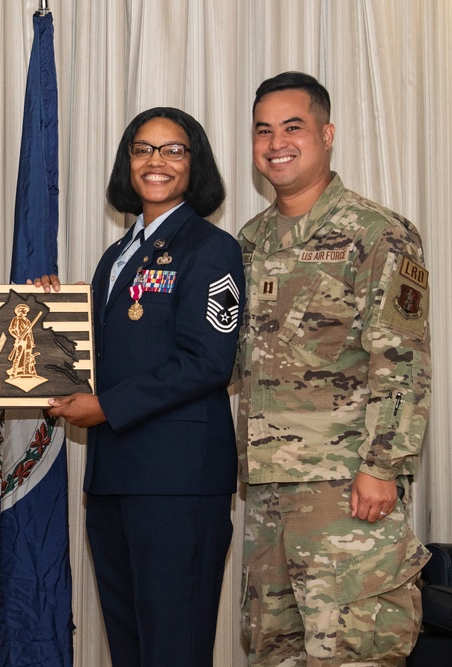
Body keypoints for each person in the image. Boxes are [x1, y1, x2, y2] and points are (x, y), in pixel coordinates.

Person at [237, 71, 432, 666]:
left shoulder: (379, 233)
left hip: (346, 490)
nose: (276, 143)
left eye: (292, 127)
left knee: (353, 652)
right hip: (267, 493)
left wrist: (383, 466)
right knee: (275, 652)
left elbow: (402, 358)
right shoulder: (249, 241)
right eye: (263, 131)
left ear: (326, 134)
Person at [38, 107, 244, 666]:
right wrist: (50, 308)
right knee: (129, 645)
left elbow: (207, 362)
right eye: (142, 149)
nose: (156, 161)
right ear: (127, 162)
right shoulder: (118, 255)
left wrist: (106, 406)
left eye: (173, 149)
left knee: (172, 647)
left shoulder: (211, 248)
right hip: (114, 476)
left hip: (177, 480)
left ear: (194, 162)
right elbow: (109, 351)